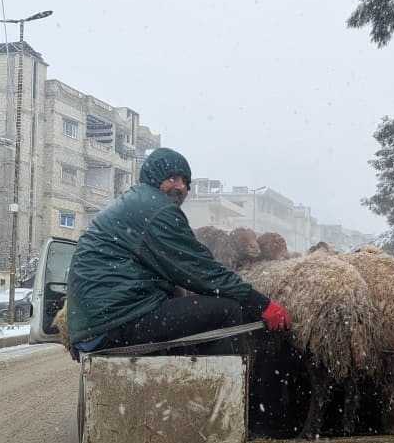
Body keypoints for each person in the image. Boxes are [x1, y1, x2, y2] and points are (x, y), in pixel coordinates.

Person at [66, 147, 291, 356]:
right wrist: (260, 303)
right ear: (154, 177)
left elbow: (189, 265)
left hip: (99, 324)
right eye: (172, 178)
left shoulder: (137, 201)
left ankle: (190, 368)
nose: (181, 186)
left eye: (185, 182)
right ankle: (219, 391)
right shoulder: (157, 210)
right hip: (116, 323)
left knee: (188, 307)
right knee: (227, 310)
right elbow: (200, 270)